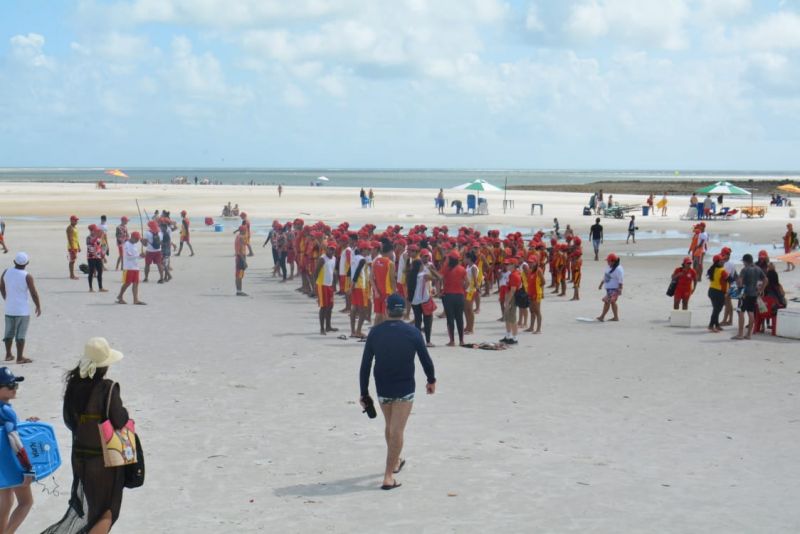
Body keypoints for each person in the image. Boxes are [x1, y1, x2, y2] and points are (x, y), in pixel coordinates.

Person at [44, 337, 130, 533]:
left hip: (80, 457)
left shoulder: (74, 386)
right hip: (105, 459)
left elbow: (68, 421)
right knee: (108, 511)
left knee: (93, 509)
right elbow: (119, 419)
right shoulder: (107, 388)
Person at [359, 293, 436, 491]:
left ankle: (395, 461)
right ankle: (388, 476)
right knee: (397, 430)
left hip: (382, 386)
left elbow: (365, 365)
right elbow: (425, 359)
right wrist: (431, 380)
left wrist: (364, 392)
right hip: (404, 387)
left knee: (391, 426)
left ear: (386, 310)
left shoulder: (375, 333)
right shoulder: (413, 332)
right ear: (404, 311)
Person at [0, 367, 35, 534]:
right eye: (10, 385)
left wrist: (27, 424)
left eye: (16, 384)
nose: (15, 388)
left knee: (6, 501)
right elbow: (14, 439)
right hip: (12, 463)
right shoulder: (6, 411)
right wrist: (28, 468)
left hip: (1, 464)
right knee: (26, 502)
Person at [1, 253, 41, 364]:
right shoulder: (27, 276)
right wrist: (38, 305)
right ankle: (19, 358)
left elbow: (2, 287)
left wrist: (6, 298)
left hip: (9, 309)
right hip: (22, 310)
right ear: (27, 263)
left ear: (14, 261)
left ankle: (8, 354)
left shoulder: (6, 272)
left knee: (8, 333)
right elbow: (33, 293)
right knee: (20, 335)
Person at [408, 251, 441, 347]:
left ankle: (418, 341)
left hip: (414, 301)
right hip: (425, 300)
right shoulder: (424, 275)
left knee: (418, 321)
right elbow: (439, 278)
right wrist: (432, 269)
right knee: (428, 321)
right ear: (420, 267)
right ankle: (428, 341)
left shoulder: (411, 275)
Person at [733, 253, 766, 340]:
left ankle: (740, 334)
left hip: (745, 293)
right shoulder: (758, 269)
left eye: (743, 261)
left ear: (745, 261)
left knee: (741, 312)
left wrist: (736, 280)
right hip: (754, 293)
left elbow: (739, 282)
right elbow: (765, 279)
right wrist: (761, 290)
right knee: (751, 313)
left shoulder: (745, 269)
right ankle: (749, 334)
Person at [441, 250, 467, 346]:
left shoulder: (445, 268)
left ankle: (452, 341)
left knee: (450, 319)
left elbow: (440, 277)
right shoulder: (462, 269)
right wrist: (462, 287)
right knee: (459, 318)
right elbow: (467, 283)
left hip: (448, 296)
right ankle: (461, 340)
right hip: (460, 296)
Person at [314, 241, 338, 335]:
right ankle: (322, 328)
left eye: (333, 249)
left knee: (330, 306)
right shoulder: (322, 259)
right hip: (321, 285)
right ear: (327, 249)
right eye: (330, 248)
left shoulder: (334, 258)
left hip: (329, 285)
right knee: (323, 307)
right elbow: (315, 272)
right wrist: (315, 286)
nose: (331, 251)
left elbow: (333, 272)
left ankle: (328, 326)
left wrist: (334, 284)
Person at [370, 242, 396, 326]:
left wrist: (376, 291)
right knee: (386, 315)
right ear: (389, 252)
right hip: (387, 292)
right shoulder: (390, 263)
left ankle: (374, 333)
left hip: (377, 293)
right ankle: (386, 334)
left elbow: (371, 278)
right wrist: (394, 293)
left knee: (378, 314)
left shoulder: (375, 261)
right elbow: (392, 280)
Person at [116, 232, 145, 305]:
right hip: (128, 267)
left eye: (138, 239)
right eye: (136, 239)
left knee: (136, 283)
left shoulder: (135, 245)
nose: (137, 240)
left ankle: (135, 300)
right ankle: (120, 296)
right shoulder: (126, 244)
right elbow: (128, 257)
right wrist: (138, 255)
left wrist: (141, 256)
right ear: (132, 237)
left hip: (136, 267)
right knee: (127, 283)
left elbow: (136, 256)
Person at [597, 253, 623, 322]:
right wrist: (601, 284)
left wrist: (620, 289)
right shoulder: (609, 267)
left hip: (614, 289)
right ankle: (616, 317)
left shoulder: (618, 269)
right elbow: (606, 276)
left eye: (609, 261)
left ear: (613, 261)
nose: (607, 262)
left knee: (607, 302)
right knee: (612, 302)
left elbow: (621, 280)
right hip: (609, 289)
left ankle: (602, 317)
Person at [706, 255, 728, 333]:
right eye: (721, 261)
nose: (723, 262)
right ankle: (711, 325)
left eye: (723, 260)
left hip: (711, 291)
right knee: (717, 309)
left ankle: (717, 325)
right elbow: (728, 280)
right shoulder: (722, 270)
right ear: (717, 262)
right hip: (719, 292)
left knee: (716, 309)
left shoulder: (712, 269)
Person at [501, 258, 521, 344]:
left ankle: (515, 338)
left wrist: (507, 301)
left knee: (512, 318)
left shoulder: (514, 275)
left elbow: (513, 290)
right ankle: (508, 335)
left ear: (513, 265)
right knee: (507, 318)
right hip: (509, 297)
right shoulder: (511, 274)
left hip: (511, 298)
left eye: (508, 264)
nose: (506, 266)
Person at [524, 254, 544, 334]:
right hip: (530, 292)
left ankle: (538, 329)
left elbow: (543, 282)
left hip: (536, 293)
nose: (530, 263)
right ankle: (531, 327)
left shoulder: (538, 270)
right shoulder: (529, 270)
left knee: (537, 311)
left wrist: (539, 289)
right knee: (531, 310)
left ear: (536, 262)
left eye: (532, 262)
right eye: (529, 262)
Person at [86, 225, 107, 293]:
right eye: (95, 230)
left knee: (100, 271)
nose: (96, 231)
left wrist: (103, 256)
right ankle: (90, 288)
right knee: (91, 272)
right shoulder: (88, 238)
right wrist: (97, 237)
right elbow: (91, 243)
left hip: (98, 257)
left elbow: (99, 247)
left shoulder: (98, 238)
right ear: (92, 230)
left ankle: (100, 288)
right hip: (91, 257)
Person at [464, 252, 480, 335]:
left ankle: (471, 328)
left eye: (465, 257)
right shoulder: (468, 266)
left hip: (471, 290)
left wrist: (477, 288)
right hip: (466, 289)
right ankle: (467, 326)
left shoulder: (473, 267)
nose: (464, 259)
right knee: (465, 309)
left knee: (470, 309)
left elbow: (475, 279)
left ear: (469, 258)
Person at [235, 225, 248, 296]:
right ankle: (239, 291)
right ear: (242, 231)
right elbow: (240, 252)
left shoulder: (238, 237)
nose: (246, 231)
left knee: (238, 275)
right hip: (240, 257)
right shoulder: (241, 238)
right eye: (245, 230)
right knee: (239, 275)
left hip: (239, 257)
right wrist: (244, 261)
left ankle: (238, 290)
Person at [67, 215, 81, 280]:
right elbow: (70, 239)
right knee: (72, 261)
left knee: (73, 260)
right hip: (71, 246)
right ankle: (72, 275)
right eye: (75, 220)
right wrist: (72, 248)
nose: (76, 221)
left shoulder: (75, 228)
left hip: (75, 246)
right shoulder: (69, 228)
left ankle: (72, 274)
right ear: (71, 220)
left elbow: (76, 238)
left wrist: (78, 246)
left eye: (76, 220)